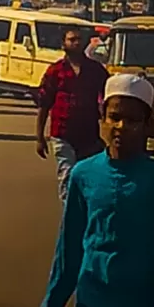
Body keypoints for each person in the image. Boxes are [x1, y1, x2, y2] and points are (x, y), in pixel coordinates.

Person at [37, 73, 154, 307]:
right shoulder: (83, 174)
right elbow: (68, 252)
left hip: (141, 305)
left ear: (147, 124)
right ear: (102, 118)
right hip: (91, 301)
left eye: (133, 120)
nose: (121, 127)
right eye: (114, 117)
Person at [36, 26, 109, 201]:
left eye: (79, 39)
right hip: (62, 133)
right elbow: (44, 104)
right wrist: (39, 137)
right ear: (64, 43)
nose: (76, 43)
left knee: (89, 178)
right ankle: (70, 221)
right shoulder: (55, 71)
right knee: (67, 177)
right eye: (72, 39)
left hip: (89, 135)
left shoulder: (96, 70)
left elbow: (108, 96)